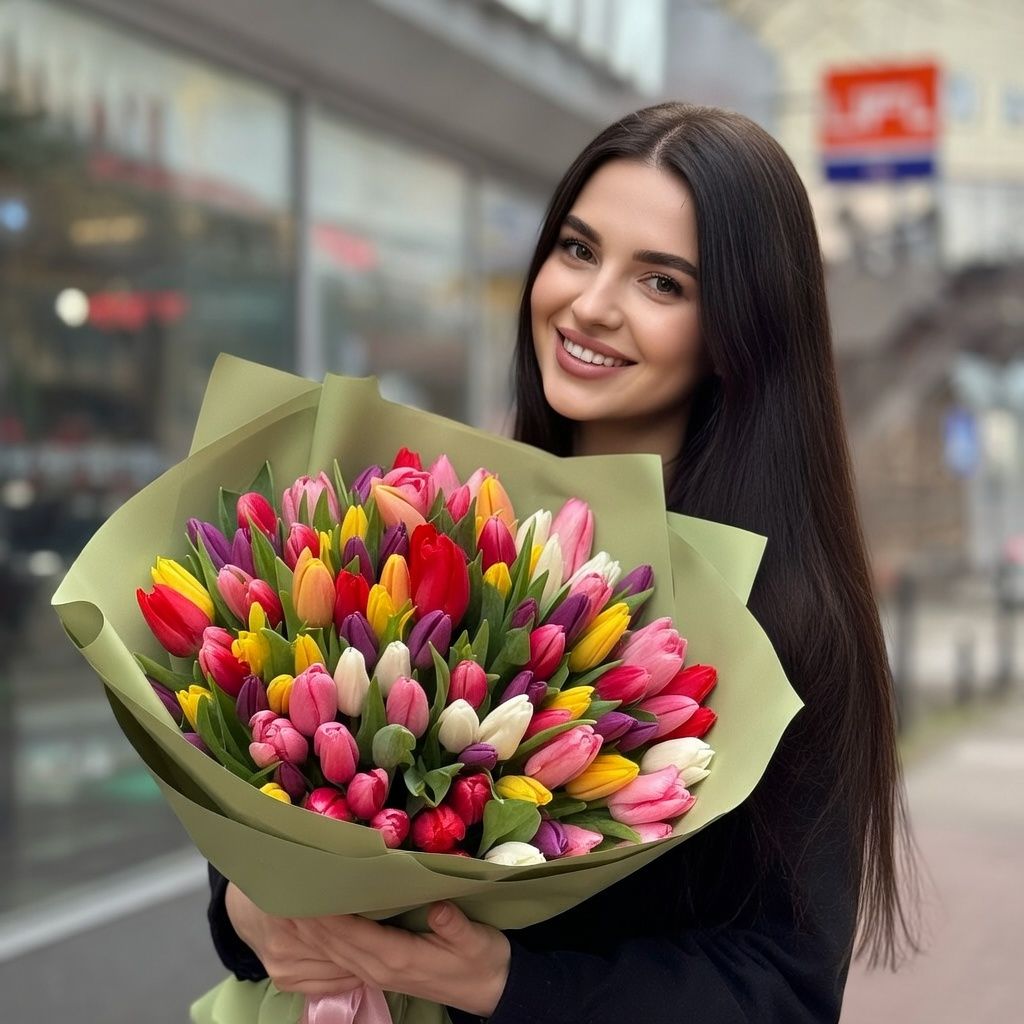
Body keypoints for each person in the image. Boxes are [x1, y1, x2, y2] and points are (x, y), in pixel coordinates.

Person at [207, 102, 917, 1022]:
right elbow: (263, 808)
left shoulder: (780, 619)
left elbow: (785, 990)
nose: (590, 304)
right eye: (578, 250)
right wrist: (250, 911)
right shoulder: (433, 520)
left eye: (661, 283)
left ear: (741, 330)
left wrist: (497, 982)